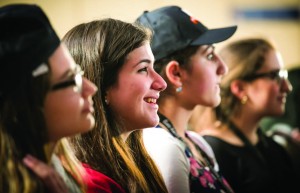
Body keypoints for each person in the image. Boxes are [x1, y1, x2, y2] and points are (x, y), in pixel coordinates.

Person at [136, 5, 237, 193]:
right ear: (176, 73)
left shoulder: (198, 143)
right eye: (209, 55)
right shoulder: (163, 147)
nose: (223, 68)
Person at [0, 4, 98, 193]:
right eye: (72, 80)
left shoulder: (58, 171)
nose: (91, 88)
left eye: (78, 72)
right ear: (27, 103)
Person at [63, 18, 168, 193]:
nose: (161, 83)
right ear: (101, 85)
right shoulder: (91, 185)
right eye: (143, 69)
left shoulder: (139, 166)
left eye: (154, 68)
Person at [200, 38, 300, 193]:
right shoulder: (213, 152)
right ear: (240, 88)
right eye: (275, 75)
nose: (287, 87)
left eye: (283, 75)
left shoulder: (275, 148)